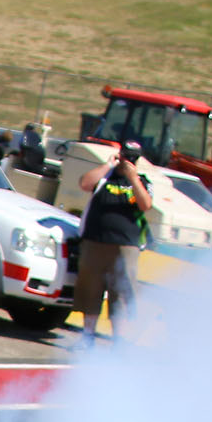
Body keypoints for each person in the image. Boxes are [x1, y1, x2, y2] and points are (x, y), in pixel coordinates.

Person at [73, 140, 153, 344]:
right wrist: (108, 165)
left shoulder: (142, 181)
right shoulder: (105, 177)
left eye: (133, 158)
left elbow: (145, 204)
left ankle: (118, 340)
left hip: (125, 246)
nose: (128, 161)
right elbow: (84, 184)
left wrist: (132, 177)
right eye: (126, 156)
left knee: (121, 293)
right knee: (91, 290)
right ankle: (87, 336)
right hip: (95, 242)